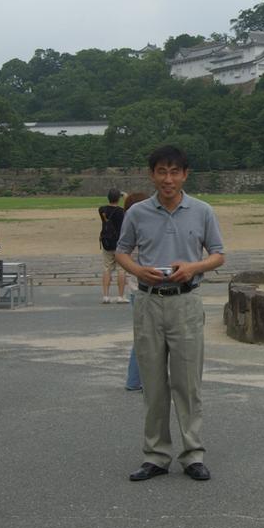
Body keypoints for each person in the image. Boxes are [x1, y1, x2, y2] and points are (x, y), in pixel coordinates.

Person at [115, 145, 225, 483]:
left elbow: (218, 254)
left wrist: (193, 267)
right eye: (161, 172)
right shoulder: (137, 213)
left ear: (185, 175)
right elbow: (121, 251)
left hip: (185, 302)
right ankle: (156, 455)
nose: (168, 179)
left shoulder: (202, 211)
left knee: (187, 383)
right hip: (148, 302)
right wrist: (138, 271)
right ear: (152, 175)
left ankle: (193, 454)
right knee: (152, 385)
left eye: (174, 172)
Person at [119, 191, 150, 392]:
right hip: (142, 290)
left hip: (135, 289)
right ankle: (139, 380)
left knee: (143, 337)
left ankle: (135, 379)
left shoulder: (129, 227)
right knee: (146, 338)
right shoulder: (140, 228)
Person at [98, 188, 127, 304]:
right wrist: (125, 196)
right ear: (118, 198)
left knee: (107, 268)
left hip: (107, 242)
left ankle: (106, 295)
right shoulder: (121, 212)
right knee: (121, 269)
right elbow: (130, 208)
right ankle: (120, 296)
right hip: (119, 243)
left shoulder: (102, 210)